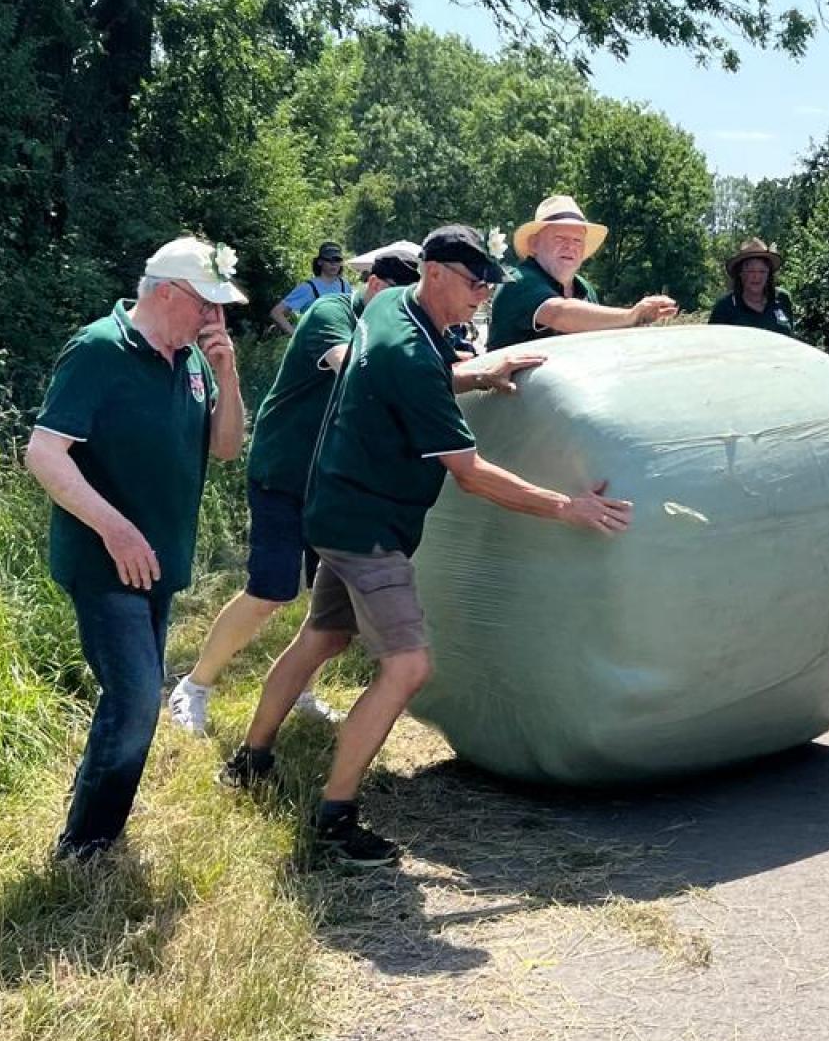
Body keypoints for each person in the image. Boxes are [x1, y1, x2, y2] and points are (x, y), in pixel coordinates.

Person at [222, 225, 632, 861]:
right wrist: (566, 506)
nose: (481, 299)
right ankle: (335, 819)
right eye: (474, 285)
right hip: (368, 532)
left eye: (489, 287)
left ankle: (250, 760)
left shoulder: (390, 306)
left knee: (324, 636)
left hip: (336, 506)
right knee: (409, 666)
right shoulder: (413, 355)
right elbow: (470, 476)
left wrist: (474, 372)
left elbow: (423, 375)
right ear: (435, 272)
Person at [25, 235, 248, 860]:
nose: (216, 319)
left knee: (133, 698)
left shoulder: (194, 359)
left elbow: (227, 447)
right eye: (208, 305)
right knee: (134, 702)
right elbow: (44, 454)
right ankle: (87, 847)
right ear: (168, 293)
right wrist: (114, 527)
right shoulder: (100, 349)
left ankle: (92, 823)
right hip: (104, 561)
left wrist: (227, 374)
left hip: (160, 562)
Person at [165, 245, 420, 738]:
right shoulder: (331, 312)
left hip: (332, 484)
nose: (402, 311)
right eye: (399, 298)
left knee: (327, 604)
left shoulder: (393, 326)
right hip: (284, 476)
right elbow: (353, 366)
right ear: (374, 286)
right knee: (271, 591)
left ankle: (300, 689)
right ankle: (194, 686)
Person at [485, 194, 678, 349]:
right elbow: (558, 314)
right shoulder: (519, 281)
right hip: (509, 396)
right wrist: (632, 316)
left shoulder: (585, 289)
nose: (570, 247)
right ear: (534, 244)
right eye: (560, 238)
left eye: (577, 241)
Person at [708, 236, 796, 335]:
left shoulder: (783, 299)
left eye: (762, 271)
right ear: (740, 273)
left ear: (769, 274)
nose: (756, 276)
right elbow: (713, 344)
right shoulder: (725, 307)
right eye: (751, 271)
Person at [271, 243, 349, 336]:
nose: (333, 264)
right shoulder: (308, 287)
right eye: (329, 260)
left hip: (341, 343)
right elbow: (276, 313)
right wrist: (296, 336)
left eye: (337, 260)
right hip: (314, 345)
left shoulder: (345, 286)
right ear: (320, 262)